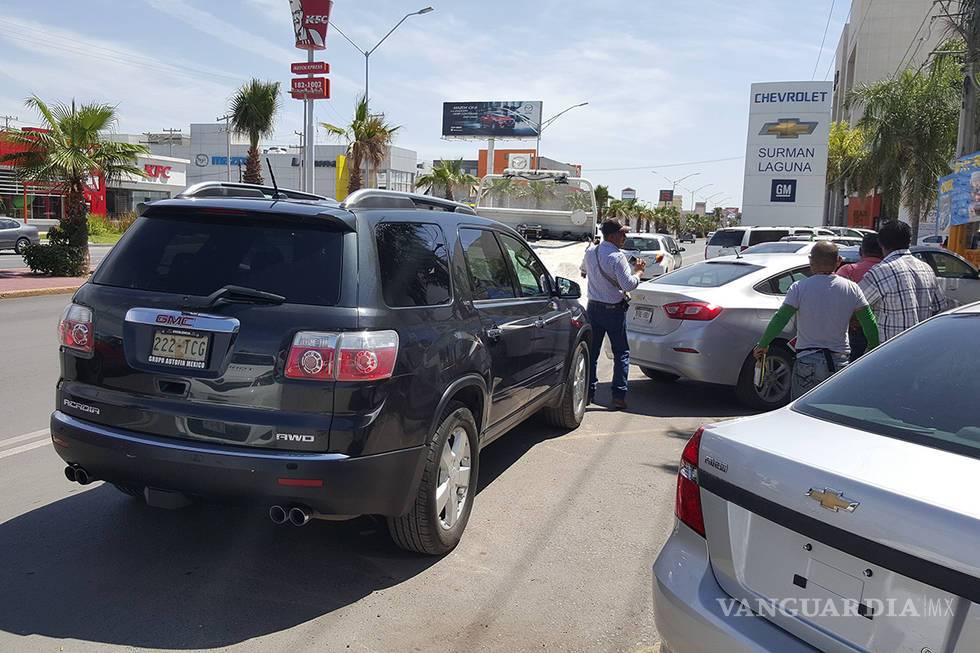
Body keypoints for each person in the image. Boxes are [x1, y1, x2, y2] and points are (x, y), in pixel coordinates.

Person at [754, 241, 880, 400]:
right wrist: (873, 348)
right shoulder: (852, 288)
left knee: (801, 411)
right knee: (831, 410)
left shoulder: (799, 287)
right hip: (839, 361)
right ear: (838, 261)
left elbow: (781, 318)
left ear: (811, 261)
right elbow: (869, 321)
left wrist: (763, 344)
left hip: (807, 360)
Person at [582, 219, 645, 409]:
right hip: (613, 311)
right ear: (611, 236)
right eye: (622, 233)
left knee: (592, 353)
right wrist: (639, 272)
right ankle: (618, 396)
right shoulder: (617, 257)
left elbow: (583, 271)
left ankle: (587, 393)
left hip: (593, 308)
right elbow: (628, 285)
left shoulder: (590, 252)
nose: (625, 237)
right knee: (621, 352)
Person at [859, 221, 949, 342]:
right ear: (909, 241)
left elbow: (855, 303)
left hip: (891, 346)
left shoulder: (880, 272)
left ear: (880, 243)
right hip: (920, 344)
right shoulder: (926, 268)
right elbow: (939, 307)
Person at [837, 233, 883, 360]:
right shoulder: (890, 271)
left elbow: (837, 303)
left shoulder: (847, 271)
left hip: (854, 332)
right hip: (885, 333)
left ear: (861, 251)